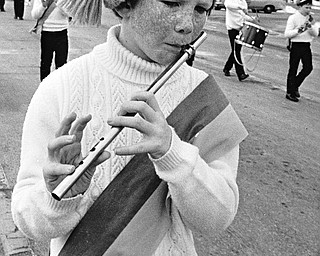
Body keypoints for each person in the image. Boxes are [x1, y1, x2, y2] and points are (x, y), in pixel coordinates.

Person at [11, 0, 248, 255]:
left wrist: (173, 153)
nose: (187, 25)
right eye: (171, 3)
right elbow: (27, 221)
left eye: (201, 9)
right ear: (124, 5)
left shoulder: (202, 96)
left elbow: (217, 219)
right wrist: (59, 197)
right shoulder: (60, 87)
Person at [284, 0, 318, 102]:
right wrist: (299, 30)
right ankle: (290, 92)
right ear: (300, 7)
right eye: (306, 7)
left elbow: (315, 34)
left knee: (308, 67)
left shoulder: (310, 19)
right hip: (296, 45)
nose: (308, 10)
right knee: (293, 68)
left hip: (306, 44)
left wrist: (310, 27)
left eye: (310, 8)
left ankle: (294, 85)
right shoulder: (293, 18)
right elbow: (287, 34)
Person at [31, 0, 70, 81]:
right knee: (45, 63)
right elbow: (34, 15)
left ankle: (60, 89)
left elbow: (70, 14)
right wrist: (43, 6)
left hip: (61, 32)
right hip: (47, 33)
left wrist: (59, 4)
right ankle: (44, 89)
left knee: (61, 64)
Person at [223, 0, 255, 81]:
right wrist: (242, 8)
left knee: (236, 49)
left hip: (241, 28)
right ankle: (240, 73)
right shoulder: (231, 1)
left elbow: (243, 16)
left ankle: (227, 68)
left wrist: (253, 19)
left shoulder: (243, 2)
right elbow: (228, 5)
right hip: (232, 28)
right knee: (236, 51)